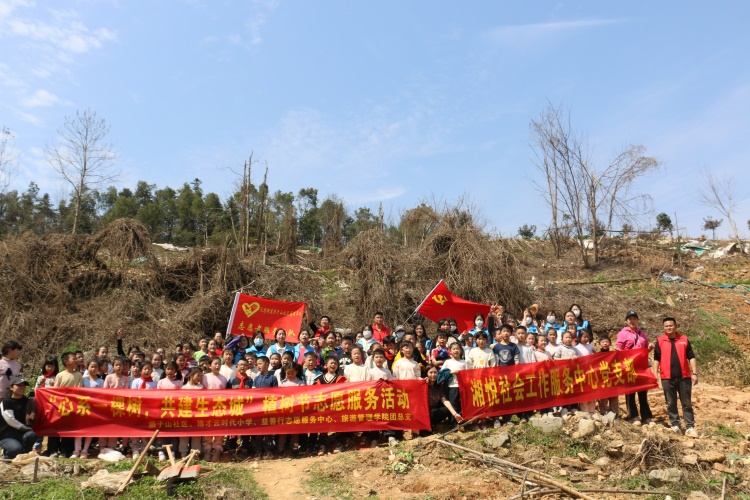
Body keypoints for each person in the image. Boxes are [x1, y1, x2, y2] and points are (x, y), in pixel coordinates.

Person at [653, 317, 698, 437]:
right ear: (664, 327)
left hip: (684, 377)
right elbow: (656, 359)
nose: (669, 328)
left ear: (676, 326)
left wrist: (694, 373)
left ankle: (690, 427)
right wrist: (655, 374)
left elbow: (691, 356)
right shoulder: (660, 341)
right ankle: (675, 425)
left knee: (686, 403)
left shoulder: (684, 339)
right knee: (671, 403)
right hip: (667, 378)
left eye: (671, 325)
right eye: (666, 326)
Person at [616, 310, 654, 425]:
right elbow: (619, 349)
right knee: (630, 392)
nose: (632, 321)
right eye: (630, 319)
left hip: (641, 366)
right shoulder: (623, 333)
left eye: (634, 319)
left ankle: (646, 416)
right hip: (629, 366)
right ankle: (633, 416)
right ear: (626, 321)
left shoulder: (642, 334)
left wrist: (649, 348)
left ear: (637, 320)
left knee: (643, 391)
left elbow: (645, 350)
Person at [0, 377, 36, 459]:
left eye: (24, 386)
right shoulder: (6, 402)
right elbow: (10, 420)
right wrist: (25, 428)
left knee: (32, 435)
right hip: (7, 436)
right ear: (11, 387)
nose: (22, 388)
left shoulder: (28, 401)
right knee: (15, 449)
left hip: (23, 434)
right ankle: (7, 453)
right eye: (19, 385)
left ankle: (26, 453)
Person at [425, 366, 462, 434]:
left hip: (434, 411)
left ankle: (434, 425)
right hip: (424, 412)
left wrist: (455, 414)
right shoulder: (423, 384)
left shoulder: (439, 385)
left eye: (435, 372)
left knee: (446, 410)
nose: (433, 375)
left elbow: (444, 400)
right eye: (431, 372)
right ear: (426, 373)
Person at [179, 368, 204, 458]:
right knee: (184, 434)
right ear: (191, 375)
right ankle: (183, 453)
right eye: (198, 375)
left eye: (201, 376)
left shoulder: (201, 388)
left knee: (196, 435)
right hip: (186, 414)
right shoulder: (184, 388)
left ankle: (195, 453)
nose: (200, 378)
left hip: (198, 414)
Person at [442, 343, 467, 429]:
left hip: (462, 386)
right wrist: (451, 372)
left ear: (461, 350)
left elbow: (467, 374)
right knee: (453, 404)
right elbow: (442, 373)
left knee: (461, 404)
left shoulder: (464, 362)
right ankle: (453, 423)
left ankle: (462, 422)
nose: (456, 350)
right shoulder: (447, 362)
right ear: (450, 351)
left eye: (457, 349)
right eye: (454, 349)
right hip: (451, 386)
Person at [596, 336, 619, 416]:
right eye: (603, 342)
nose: (605, 343)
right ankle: (603, 413)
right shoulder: (596, 355)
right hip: (602, 379)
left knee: (614, 396)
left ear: (610, 344)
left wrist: (617, 353)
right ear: (599, 344)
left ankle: (615, 413)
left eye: (607, 342)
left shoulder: (613, 354)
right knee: (603, 397)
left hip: (612, 379)